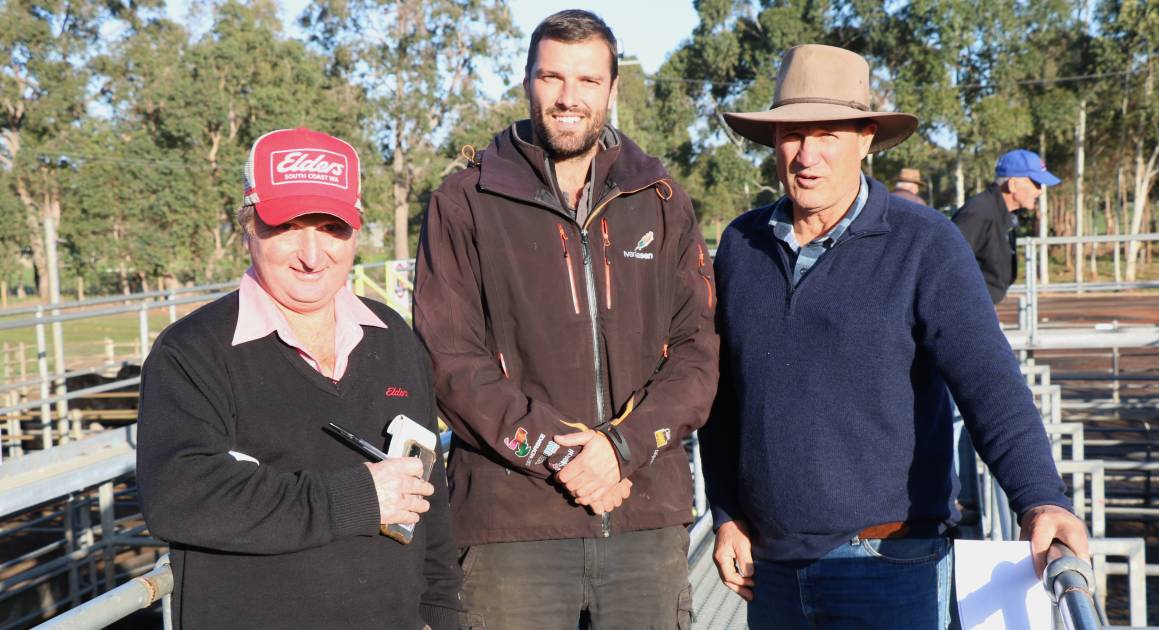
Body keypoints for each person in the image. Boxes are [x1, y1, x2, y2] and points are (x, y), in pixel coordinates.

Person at [699, 45, 1088, 628]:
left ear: (866, 138)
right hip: (771, 571)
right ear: (772, 142)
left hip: (889, 562)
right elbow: (722, 395)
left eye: (828, 133)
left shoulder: (924, 243)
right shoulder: (740, 246)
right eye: (792, 134)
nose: (808, 155)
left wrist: (1040, 497)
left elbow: (987, 380)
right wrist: (726, 511)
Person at [413, 10, 717, 629]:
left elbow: (697, 353)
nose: (568, 98)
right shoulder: (464, 200)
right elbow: (450, 362)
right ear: (527, 82)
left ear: (612, 89)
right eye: (552, 78)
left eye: (587, 80)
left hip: (643, 518)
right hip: (511, 526)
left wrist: (619, 448)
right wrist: (563, 455)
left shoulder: (660, 200)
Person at [137, 128, 460, 630]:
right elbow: (181, 496)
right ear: (248, 226)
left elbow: (428, 498)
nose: (313, 255)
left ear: (355, 232)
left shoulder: (393, 337)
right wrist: (357, 498)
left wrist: (442, 613)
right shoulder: (192, 351)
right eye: (288, 226)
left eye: (332, 228)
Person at [952, 149, 1062, 304]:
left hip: (982, 307)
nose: (1040, 191)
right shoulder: (978, 212)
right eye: (1036, 183)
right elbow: (947, 265)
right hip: (966, 311)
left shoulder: (1003, 213)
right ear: (1013, 184)